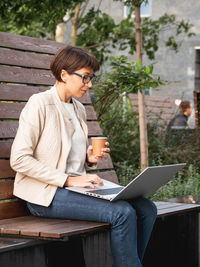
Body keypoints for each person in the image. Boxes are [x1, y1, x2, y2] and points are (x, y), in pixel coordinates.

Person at [10, 45, 157, 267]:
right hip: (44, 195)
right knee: (122, 212)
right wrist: (68, 180)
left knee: (147, 208)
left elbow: (68, 156)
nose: (89, 84)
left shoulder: (78, 108)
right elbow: (19, 159)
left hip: (73, 190)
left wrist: (88, 158)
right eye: (85, 77)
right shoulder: (39, 104)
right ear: (64, 74)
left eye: (91, 78)